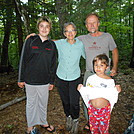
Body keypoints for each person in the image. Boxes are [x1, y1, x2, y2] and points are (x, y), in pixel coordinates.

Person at [77, 13, 119, 131]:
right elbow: (66, 40)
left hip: (105, 74)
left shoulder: (107, 37)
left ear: (98, 23)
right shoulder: (82, 39)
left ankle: (103, 120)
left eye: (94, 22)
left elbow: (114, 51)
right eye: (89, 23)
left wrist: (114, 67)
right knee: (88, 98)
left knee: (105, 98)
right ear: (86, 26)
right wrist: (44, 37)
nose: (92, 25)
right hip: (90, 73)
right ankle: (90, 121)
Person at [18, 16, 57, 134]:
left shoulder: (52, 45)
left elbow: (53, 64)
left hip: (44, 81)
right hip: (30, 80)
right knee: (31, 104)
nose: (44, 29)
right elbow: (23, 60)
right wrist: (21, 78)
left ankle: (43, 121)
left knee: (43, 103)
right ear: (38, 27)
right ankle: (30, 127)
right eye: (42, 26)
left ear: (50, 29)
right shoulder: (30, 40)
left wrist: (51, 81)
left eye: (47, 27)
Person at [77, 54, 121, 134]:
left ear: (106, 67)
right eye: (96, 65)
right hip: (92, 110)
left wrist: (117, 90)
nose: (98, 67)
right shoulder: (90, 79)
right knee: (94, 129)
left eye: (101, 65)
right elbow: (88, 92)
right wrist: (81, 89)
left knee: (103, 129)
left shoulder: (110, 81)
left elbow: (112, 96)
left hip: (104, 110)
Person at [54, 22, 85, 134]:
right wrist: (35, 36)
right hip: (61, 77)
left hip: (75, 78)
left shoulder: (80, 45)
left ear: (75, 32)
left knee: (74, 102)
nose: (70, 33)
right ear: (64, 33)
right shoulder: (60, 43)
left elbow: (88, 56)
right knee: (65, 101)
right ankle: (68, 117)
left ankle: (75, 120)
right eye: (67, 31)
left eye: (72, 30)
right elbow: (48, 42)